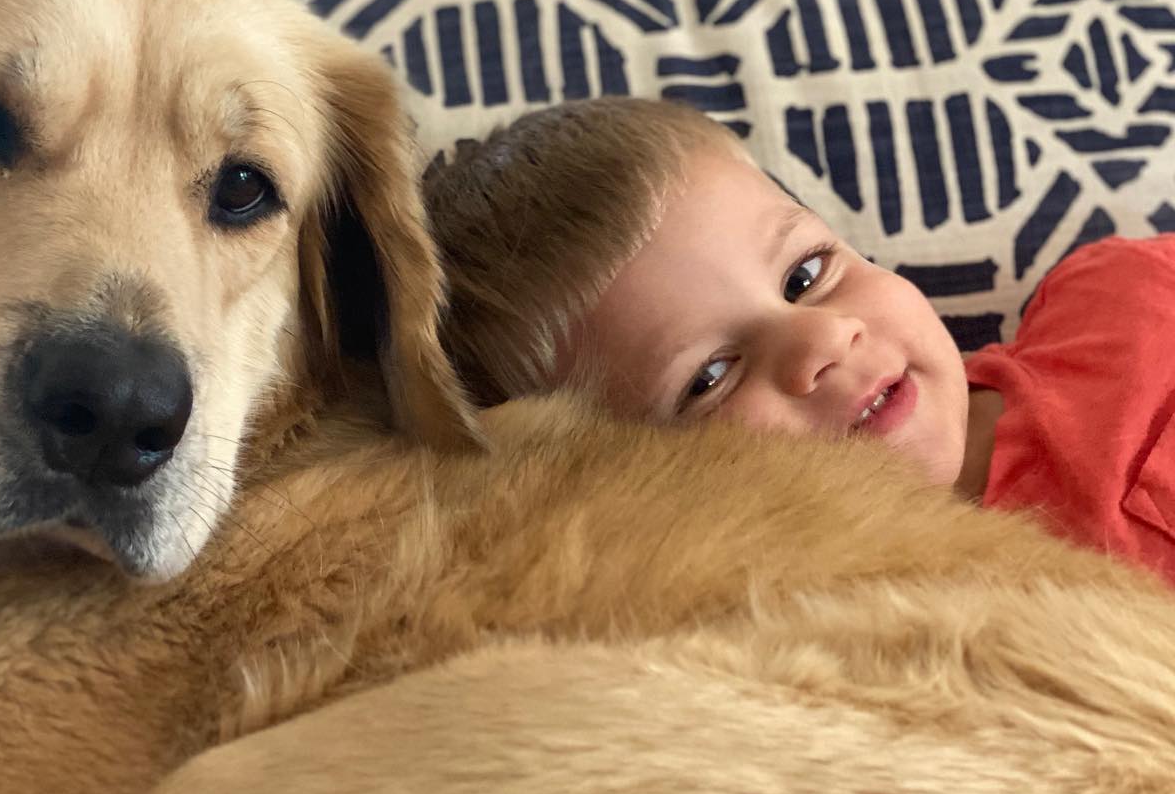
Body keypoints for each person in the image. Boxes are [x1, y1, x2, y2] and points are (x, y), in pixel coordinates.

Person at [424, 97, 1175, 585]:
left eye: (807, 273)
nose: (819, 340)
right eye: (710, 376)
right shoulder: (877, 638)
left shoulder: (1123, 304)